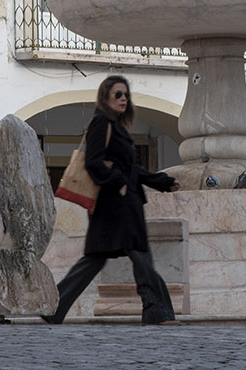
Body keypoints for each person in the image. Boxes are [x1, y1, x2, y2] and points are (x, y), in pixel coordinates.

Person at [45, 75, 180, 326]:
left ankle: (54, 306)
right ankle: (157, 313)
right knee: (139, 256)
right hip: (115, 206)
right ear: (105, 96)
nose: (123, 99)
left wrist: (161, 181)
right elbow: (93, 162)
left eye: (126, 95)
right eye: (118, 94)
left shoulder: (117, 127)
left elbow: (131, 169)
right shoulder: (101, 123)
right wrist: (117, 182)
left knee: (96, 259)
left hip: (123, 204)